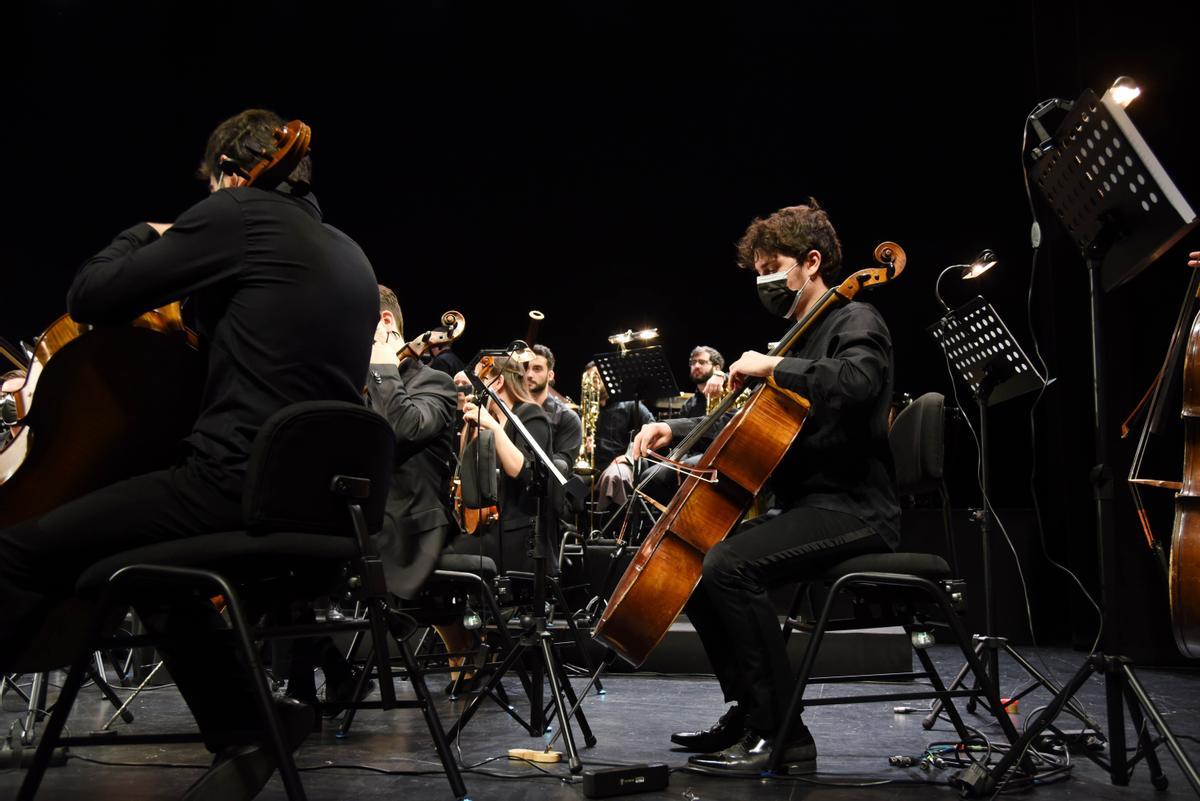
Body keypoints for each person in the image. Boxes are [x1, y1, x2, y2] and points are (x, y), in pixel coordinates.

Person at [0, 109, 379, 799]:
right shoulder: (351, 253)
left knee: (18, 547)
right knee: (151, 574)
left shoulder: (236, 215)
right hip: (323, 508)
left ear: (233, 175)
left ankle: (248, 721)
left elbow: (91, 295)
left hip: (233, 482)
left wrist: (151, 233)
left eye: (213, 186)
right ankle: (252, 722)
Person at [631, 201, 900, 776]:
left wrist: (772, 366)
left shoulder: (857, 321)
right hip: (804, 506)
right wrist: (672, 428)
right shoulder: (795, 340)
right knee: (700, 569)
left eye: (771, 266)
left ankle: (783, 733)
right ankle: (750, 709)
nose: (763, 281)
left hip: (854, 509)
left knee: (730, 564)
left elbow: (857, 382)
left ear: (810, 262)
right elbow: (747, 419)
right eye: (755, 271)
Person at [525, 343, 583, 477]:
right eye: (526, 368)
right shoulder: (512, 410)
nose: (529, 374)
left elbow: (562, 464)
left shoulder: (568, 417)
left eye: (537, 369)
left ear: (550, 375)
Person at [679, 346, 728, 419]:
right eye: (693, 362)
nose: (696, 366)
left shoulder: (731, 392)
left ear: (717, 368)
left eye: (702, 362)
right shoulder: (687, 406)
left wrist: (723, 375)